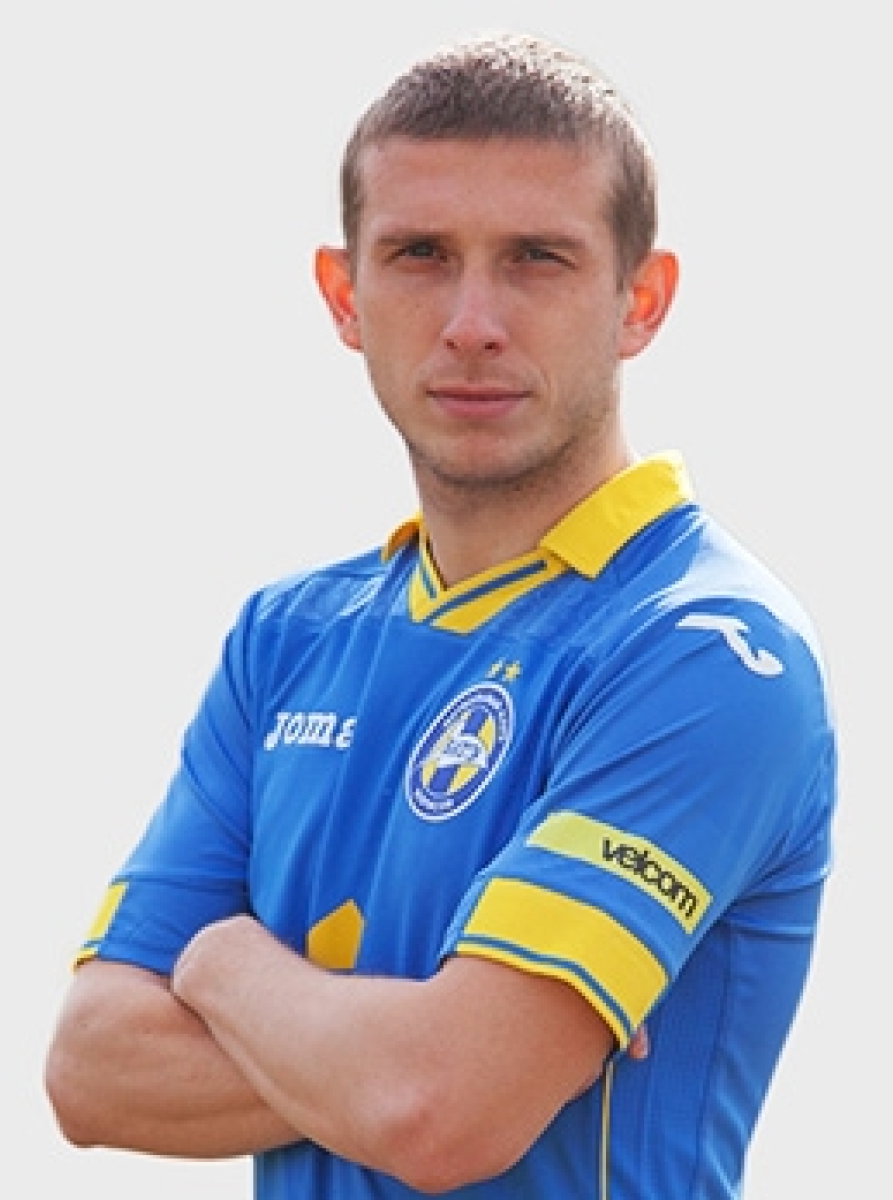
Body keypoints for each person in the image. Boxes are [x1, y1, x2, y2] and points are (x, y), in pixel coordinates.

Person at [44, 30, 837, 1200]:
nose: (471, 321)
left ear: (640, 301)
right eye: (419, 254)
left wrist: (218, 965)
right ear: (343, 296)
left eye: (536, 259)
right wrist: (421, 1047)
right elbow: (89, 1070)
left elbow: (440, 1114)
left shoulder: (709, 650)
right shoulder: (284, 639)